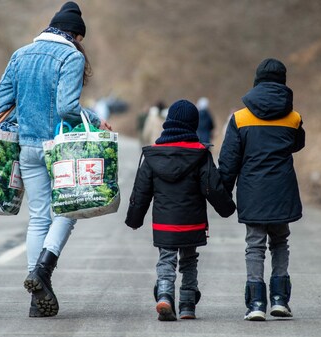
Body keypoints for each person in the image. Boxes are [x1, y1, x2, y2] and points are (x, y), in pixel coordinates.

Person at [0, 1, 111, 317]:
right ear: (76, 35)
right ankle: (42, 272)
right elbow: (67, 109)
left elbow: (1, 103)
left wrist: (26, 115)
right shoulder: (70, 56)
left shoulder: (20, 55)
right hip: (59, 148)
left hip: (26, 146)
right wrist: (94, 119)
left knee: (39, 216)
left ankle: (36, 296)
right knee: (71, 208)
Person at [126, 100, 236, 321]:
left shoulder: (153, 155)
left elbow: (141, 191)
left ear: (169, 123)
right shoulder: (200, 154)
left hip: (164, 223)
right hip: (192, 222)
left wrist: (134, 219)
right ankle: (187, 304)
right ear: (193, 125)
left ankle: (165, 294)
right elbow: (213, 187)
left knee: (166, 259)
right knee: (189, 260)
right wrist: (227, 207)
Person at [218, 58, 305, 321]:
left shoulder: (240, 118)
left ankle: (256, 303)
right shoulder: (294, 118)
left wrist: (222, 193)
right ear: (283, 82)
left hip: (252, 191)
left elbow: (229, 160)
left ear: (256, 81)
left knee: (254, 245)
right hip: (282, 190)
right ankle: (280, 300)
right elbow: (297, 145)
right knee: (280, 242)